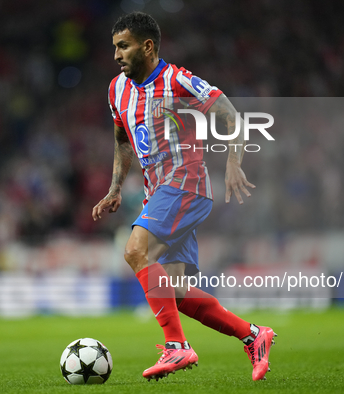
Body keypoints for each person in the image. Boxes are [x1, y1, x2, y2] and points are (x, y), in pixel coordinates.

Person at [92, 12, 276, 381]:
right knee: (174, 292)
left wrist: (233, 162)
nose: (116, 55)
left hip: (185, 184)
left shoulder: (178, 80)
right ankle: (254, 336)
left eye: (123, 46)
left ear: (147, 46)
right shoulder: (117, 90)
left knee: (134, 251)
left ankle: (177, 347)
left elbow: (230, 116)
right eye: (114, 47)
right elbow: (122, 139)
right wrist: (114, 188)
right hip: (157, 193)